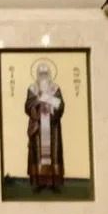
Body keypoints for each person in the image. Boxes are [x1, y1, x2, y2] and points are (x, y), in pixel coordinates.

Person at [25, 61, 64, 191]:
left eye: (45, 73)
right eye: (41, 73)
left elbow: (61, 105)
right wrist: (38, 103)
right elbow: (28, 105)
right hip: (38, 127)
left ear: (49, 74)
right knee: (38, 154)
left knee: (53, 153)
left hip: (52, 127)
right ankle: (39, 183)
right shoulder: (32, 88)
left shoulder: (55, 88)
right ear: (37, 74)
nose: (43, 76)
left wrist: (49, 100)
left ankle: (53, 183)